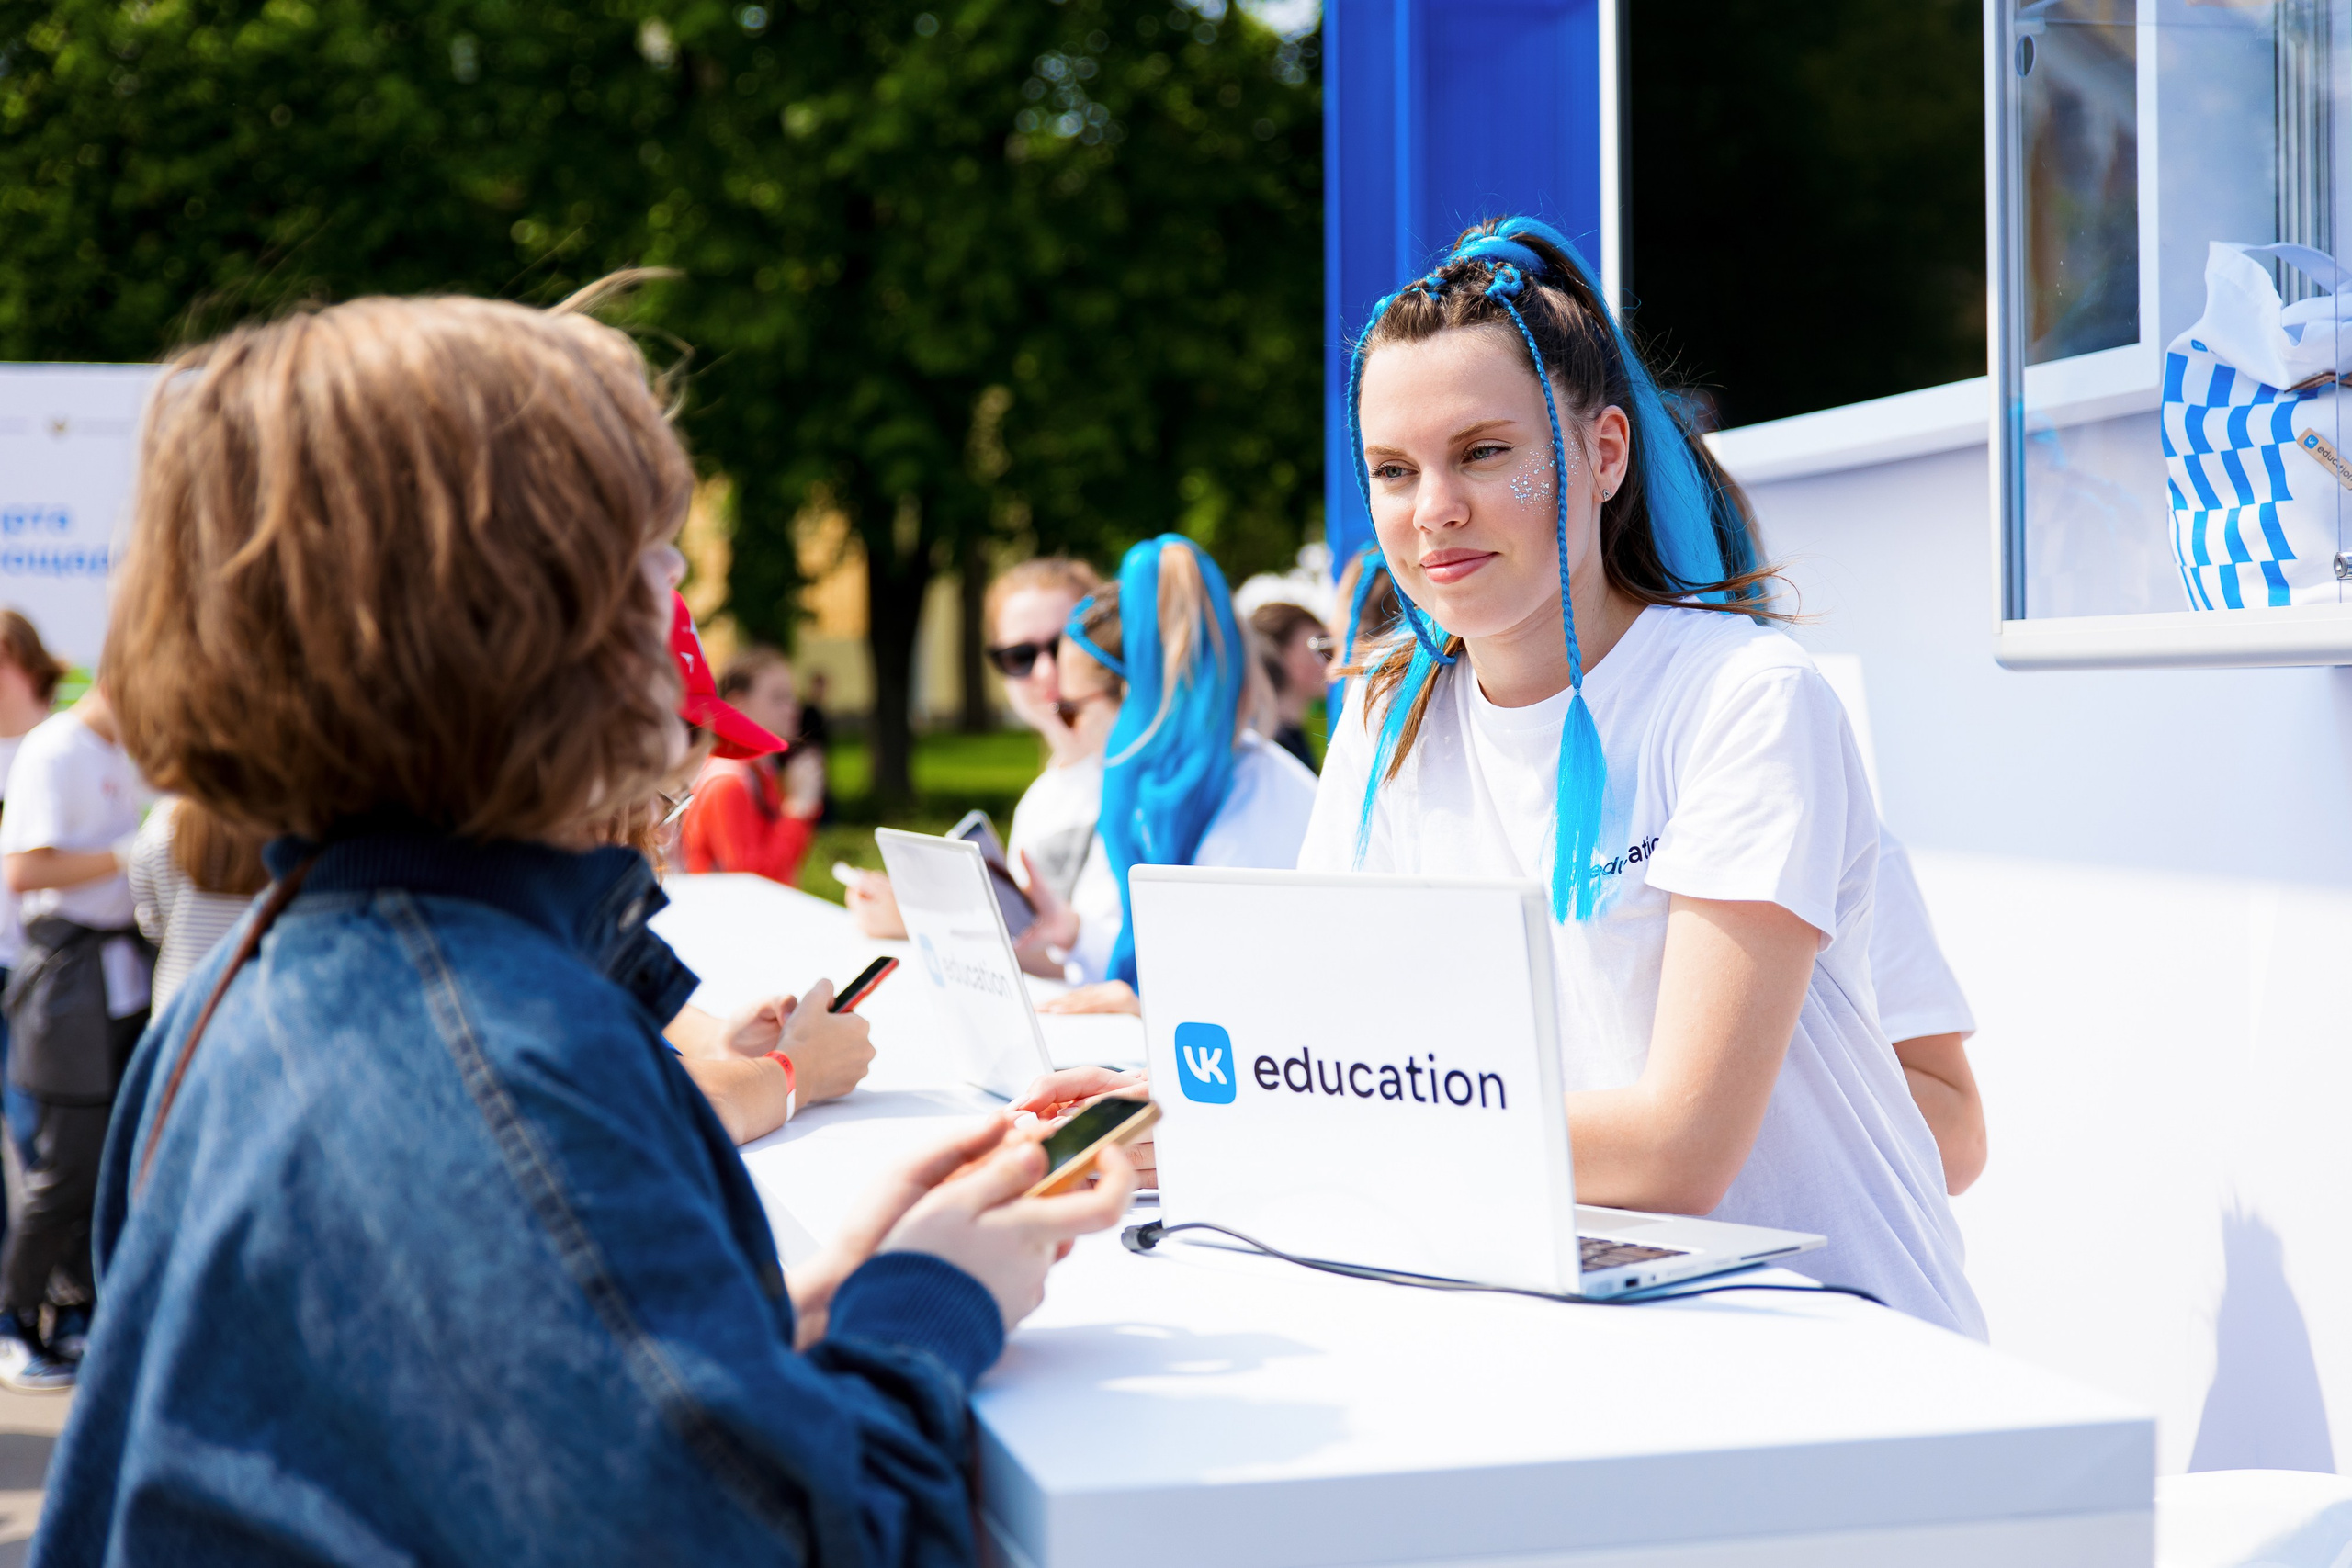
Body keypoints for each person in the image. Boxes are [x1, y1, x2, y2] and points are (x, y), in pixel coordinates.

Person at [39, 282, 1134, 1564]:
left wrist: (805, 1309)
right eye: (652, 554)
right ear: (526, 625)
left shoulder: (241, 985)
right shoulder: (506, 1049)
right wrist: (927, 1303)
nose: (682, 602)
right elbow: (793, 1542)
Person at [1297, 218, 1980, 1334]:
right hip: (1587, 1322)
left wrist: (1280, 1129)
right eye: (1391, 469)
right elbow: (1330, 1059)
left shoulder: (1744, 700)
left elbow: (1677, 1152)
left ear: (1605, 453)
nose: (1433, 513)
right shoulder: (1386, 719)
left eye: (1482, 452)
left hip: (1837, 1347)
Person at [1031, 535, 1320, 1000]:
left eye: (1070, 707)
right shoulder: (1171, 793)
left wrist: (1143, 1007)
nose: (1064, 725)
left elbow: (1259, 993)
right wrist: (1073, 932)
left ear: (1136, 700)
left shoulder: (1254, 805)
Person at [844, 558, 1117, 967]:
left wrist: (922, 922)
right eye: (1019, 656)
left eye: (1063, 645)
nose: (1045, 670)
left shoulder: (1139, 779)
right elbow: (1034, 940)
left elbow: (1106, 961)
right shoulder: (1041, 801)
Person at [0, 680, 151, 1393]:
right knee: (62, 1169)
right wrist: (131, 853)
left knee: (99, 1172)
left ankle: (75, 1311)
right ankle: (14, 1319)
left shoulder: (115, 749)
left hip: (116, 979)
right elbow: (27, 870)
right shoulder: (56, 749)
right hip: (67, 983)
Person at [677, 642, 826, 886]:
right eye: (778, 698)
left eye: (792, 696)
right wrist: (798, 808)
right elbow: (753, 884)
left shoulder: (757, 774)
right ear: (739, 704)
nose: (792, 708)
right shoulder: (728, 782)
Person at [128, 798, 269, 1011]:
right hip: (259, 996)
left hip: (180, 999)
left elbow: (151, 922)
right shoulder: (280, 823)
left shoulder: (163, 824)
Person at [1249, 600, 1329, 773]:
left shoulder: (1288, 735)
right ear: (1279, 653)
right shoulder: (1264, 747)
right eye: (1319, 645)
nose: (1332, 657)